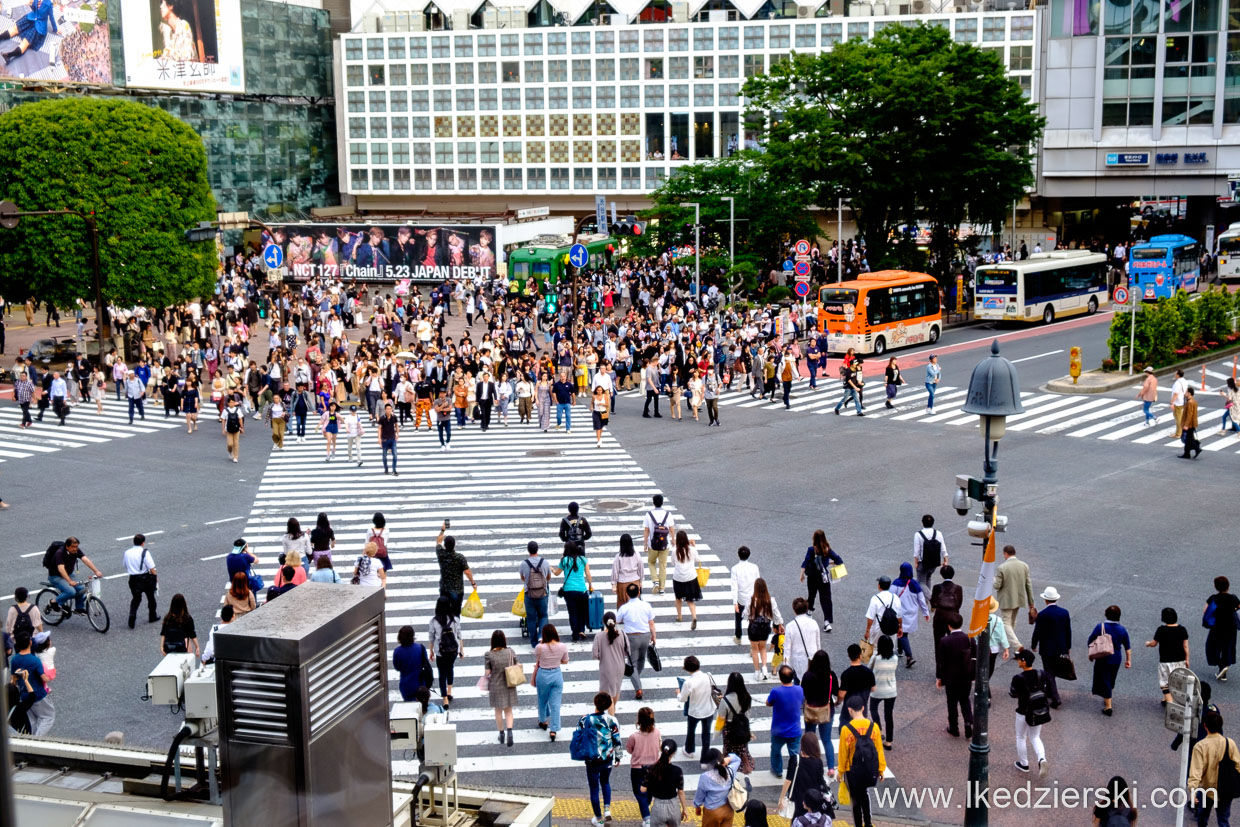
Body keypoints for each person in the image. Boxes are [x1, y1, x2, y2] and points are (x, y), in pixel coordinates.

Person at [838, 694, 886, 827]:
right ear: (863, 708)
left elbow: (843, 754)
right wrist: (881, 770)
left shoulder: (846, 730)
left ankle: (858, 824)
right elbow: (879, 750)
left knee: (855, 798)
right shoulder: (874, 727)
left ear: (849, 710)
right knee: (864, 794)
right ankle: (868, 822)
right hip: (869, 768)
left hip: (851, 769)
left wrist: (840, 772)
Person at [1189, 710, 1238, 826]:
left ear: (1205, 726)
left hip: (1207, 790)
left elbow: (1195, 774)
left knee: (1202, 817)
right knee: (1223, 819)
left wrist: (1193, 793)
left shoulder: (1200, 746)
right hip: (1226, 790)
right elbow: (1238, 765)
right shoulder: (1229, 743)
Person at [1010, 648, 1052, 777]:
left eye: (1019, 659)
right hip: (1038, 710)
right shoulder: (1041, 674)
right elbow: (1048, 689)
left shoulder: (1018, 678)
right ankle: (1041, 759)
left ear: (1024, 661)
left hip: (1023, 711)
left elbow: (1012, 693)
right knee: (1035, 737)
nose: (1017, 661)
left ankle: (1024, 764)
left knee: (1021, 736)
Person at [935, 611, 975, 738]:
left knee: (952, 702)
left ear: (949, 626)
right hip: (966, 676)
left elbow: (941, 661)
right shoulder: (969, 638)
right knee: (965, 700)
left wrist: (939, 677)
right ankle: (968, 722)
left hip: (951, 677)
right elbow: (974, 656)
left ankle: (954, 728)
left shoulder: (945, 641)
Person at [1030, 586, 1071, 707]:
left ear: (1046, 600)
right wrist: (1068, 646)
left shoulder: (1043, 615)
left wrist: (1034, 644)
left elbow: (1037, 631)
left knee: (1049, 672)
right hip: (1061, 647)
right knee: (1054, 671)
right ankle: (1049, 690)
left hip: (1047, 648)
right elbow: (1068, 631)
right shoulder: (1064, 613)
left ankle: (1055, 697)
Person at [1088, 604, 1131, 716]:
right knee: (1111, 678)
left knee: (1104, 679)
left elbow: (1090, 640)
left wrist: (1092, 654)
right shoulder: (1122, 629)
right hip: (1116, 657)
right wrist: (1128, 660)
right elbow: (1127, 646)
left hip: (1103, 657)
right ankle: (1108, 696)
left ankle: (1108, 707)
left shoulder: (1100, 627)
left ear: (1106, 615)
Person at [801, 651, 837, 776]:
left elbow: (803, 693)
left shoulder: (808, 675)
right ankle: (831, 768)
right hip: (826, 710)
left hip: (811, 709)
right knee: (827, 739)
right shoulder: (831, 676)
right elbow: (836, 692)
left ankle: (808, 764)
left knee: (809, 738)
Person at [618, 583, 656, 700]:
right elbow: (651, 623)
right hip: (645, 636)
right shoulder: (646, 605)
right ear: (639, 592)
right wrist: (653, 636)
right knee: (641, 659)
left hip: (631, 638)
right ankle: (636, 677)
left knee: (631, 663)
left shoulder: (624, 608)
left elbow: (617, 620)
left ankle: (638, 687)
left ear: (626, 594)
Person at [993, 545, 1036, 651]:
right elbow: (1028, 585)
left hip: (1006, 599)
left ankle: (1016, 645)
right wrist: (1031, 602)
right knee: (1012, 621)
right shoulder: (1024, 566)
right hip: (1019, 598)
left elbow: (997, 585)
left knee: (1006, 622)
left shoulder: (1002, 568)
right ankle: (1007, 641)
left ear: (1005, 553)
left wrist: (993, 580)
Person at [778, 732, 828, 821]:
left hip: (798, 799)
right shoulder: (818, 762)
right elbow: (820, 781)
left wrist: (781, 798)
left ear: (802, 745)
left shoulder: (795, 759)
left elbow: (788, 781)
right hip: (812, 799)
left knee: (797, 821)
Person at [9, 632, 53, 735]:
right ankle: (36, 741)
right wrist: (50, 675)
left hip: (24, 695)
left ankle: (30, 738)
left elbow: (13, 679)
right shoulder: (35, 661)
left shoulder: (15, 660)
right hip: (38, 694)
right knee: (48, 717)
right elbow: (44, 678)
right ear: (30, 642)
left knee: (31, 719)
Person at [46, 537, 102, 616]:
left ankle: (79, 608)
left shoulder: (76, 550)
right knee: (71, 591)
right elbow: (61, 569)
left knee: (82, 589)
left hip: (69, 573)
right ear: (67, 547)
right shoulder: (60, 553)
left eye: (77, 546)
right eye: (73, 547)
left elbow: (85, 560)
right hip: (56, 576)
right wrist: (69, 581)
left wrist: (96, 571)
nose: (75, 549)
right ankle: (53, 602)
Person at [766, 664, 804, 778]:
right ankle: (794, 771)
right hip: (795, 730)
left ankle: (778, 770)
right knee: (794, 753)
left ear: (780, 677)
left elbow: (768, 703)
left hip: (779, 730)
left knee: (776, 751)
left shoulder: (776, 692)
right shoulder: (799, 689)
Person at [626, 706, 662, 826]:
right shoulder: (657, 732)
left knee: (639, 792)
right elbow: (659, 746)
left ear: (639, 721)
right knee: (650, 790)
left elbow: (629, 750)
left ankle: (647, 819)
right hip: (653, 767)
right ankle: (646, 805)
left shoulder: (634, 736)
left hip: (638, 768)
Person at [800, 531, 843, 633]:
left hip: (812, 576)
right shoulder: (827, 549)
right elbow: (839, 560)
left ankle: (809, 612)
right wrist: (829, 562)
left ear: (814, 538)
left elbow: (805, 562)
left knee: (812, 594)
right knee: (826, 598)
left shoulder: (811, 549)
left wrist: (801, 574)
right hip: (824, 577)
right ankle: (827, 622)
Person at [1147, 606, 1190, 706]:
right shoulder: (1182, 629)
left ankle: (1170, 703)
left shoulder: (1161, 630)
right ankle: (1166, 699)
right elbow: (1185, 646)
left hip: (1165, 661)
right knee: (1177, 682)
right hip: (1180, 661)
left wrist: (1148, 643)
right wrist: (1187, 659)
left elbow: (1154, 643)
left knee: (1164, 683)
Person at [483, 630, 519, 747]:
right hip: (509, 684)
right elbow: (517, 664)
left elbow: (487, 672)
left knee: (498, 711)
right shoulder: (510, 651)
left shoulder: (489, 655)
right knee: (508, 710)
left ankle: (501, 733)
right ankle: (510, 732)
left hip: (495, 686)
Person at [534, 623, 569, 739]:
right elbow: (565, 661)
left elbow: (537, 657)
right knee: (555, 704)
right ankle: (554, 729)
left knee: (542, 699)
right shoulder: (562, 646)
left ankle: (543, 720)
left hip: (543, 675)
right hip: (556, 675)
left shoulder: (540, 647)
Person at [642, 738, 688, 827]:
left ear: (661, 749)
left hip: (658, 807)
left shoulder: (652, 769)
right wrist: (684, 809)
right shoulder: (678, 771)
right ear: (674, 753)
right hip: (674, 807)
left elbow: (643, 789)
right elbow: (681, 792)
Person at [715, 671, 755, 774]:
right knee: (742, 748)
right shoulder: (747, 697)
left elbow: (721, 718)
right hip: (743, 727)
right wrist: (749, 731)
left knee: (729, 750)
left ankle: (729, 770)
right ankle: (745, 767)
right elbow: (748, 715)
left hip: (730, 729)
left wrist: (716, 733)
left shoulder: (726, 700)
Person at [677, 655, 716, 759]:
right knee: (706, 734)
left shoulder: (688, 682)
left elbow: (682, 699)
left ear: (687, 668)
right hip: (708, 710)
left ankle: (689, 750)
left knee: (691, 731)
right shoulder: (708, 675)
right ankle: (705, 760)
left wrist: (678, 693)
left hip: (695, 712)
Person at [556, 541, 594, 642]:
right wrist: (590, 586)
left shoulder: (564, 560)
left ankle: (575, 634)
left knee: (572, 613)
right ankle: (581, 630)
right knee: (582, 611)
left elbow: (556, 573)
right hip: (582, 590)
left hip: (569, 591)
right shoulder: (583, 559)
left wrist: (551, 569)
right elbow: (588, 574)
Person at [693, 749, 743, 827]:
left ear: (709, 763)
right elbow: (737, 759)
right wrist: (728, 759)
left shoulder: (705, 777)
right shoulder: (730, 770)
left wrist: (697, 806)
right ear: (722, 757)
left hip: (712, 811)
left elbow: (700, 795)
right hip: (728, 809)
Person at [745, 578, 783, 681]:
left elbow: (746, 614)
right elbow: (776, 614)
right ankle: (765, 668)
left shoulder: (751, 599)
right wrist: (779, 624)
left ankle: (757, 671)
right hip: (765, 627)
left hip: (753, 627)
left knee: (754, 649)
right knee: (763, 648)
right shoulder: (770, 600)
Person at [428, 596, 463, 706]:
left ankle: (445, 699)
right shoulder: (455, 620)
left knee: (442, 674)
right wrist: (461, 649)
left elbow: (431, 637)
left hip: (440, 651)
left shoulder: (434, 621)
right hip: (453, 650)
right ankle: (449, 691)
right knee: (450, 668)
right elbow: (459, 635)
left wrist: (431, 651)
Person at [436, 522, 476, 616]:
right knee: (456, 612)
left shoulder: (441, 554)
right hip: (457, 590)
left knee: (444, 611)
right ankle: (455, 628)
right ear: (454, 545)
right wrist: (473, 583)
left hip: (444, 588)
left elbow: (438, 542)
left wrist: (442, 530)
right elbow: (467, 572)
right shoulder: (459, 557)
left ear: (445, 545)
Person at [1205, 576, 1240, 682]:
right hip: (1231, 628)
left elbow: (1206, 611)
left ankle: (1220, 665)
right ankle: (1224, 670)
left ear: (1216, 587)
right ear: (1228, 586)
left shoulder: (1213, 598)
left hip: (1217, 627)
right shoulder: (1233, 598)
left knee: (1212, 647)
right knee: (1227, 648)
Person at [593, 611, 630, 709]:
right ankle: (613, 709)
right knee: (616, 690)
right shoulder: (622, 634)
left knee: (606, 693)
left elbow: (595, 655)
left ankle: (611, 716)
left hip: (606, 667)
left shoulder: (599, 636)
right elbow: (627, 651)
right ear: (615, 622)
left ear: (604, 622)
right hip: (620, 666)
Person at [122, 533, 159, 631]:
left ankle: (132, 616)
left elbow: (125, 565)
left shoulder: (127, 552)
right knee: (151, 598)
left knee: (136, 599)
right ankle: (152, 616)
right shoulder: (145, 552)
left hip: (133, 579)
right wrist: (155, 577)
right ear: (143, 543)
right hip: (145, 578)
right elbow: (151, 567)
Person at [520, 541, 553, 649]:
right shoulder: (545, 562)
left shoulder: (524, 564)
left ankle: (534, 642)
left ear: (528, 550)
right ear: (537, 549)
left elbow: (523, 578)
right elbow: (548, 577)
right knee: (543, 615)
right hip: (542, 594)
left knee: (531, 618)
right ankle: (541, 636)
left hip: (529, 594)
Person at [868, 635, 898, 749]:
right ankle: (889, 741)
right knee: (888, 715)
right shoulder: (895, 658)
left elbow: (868, 670)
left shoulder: (876, 658)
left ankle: (879, 729)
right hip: (891, 690)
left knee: (873, 709)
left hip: (877, 690)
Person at [643, 494, 675, 596]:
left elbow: (646, 530)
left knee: (651, 562)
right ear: (662, 502)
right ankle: (662, 589)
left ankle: (655, 580)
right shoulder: (668, 514)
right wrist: (673, 539)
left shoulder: (649, 515)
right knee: (663, 566)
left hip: (652, 544)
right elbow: (671, 529)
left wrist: (645, 544)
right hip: (665, 544)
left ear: (653, 502)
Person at [670, 530, 702, 630]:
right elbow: (698, 559)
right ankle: (694, 617)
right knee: (690, 600)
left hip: (678, 577)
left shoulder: (674, 550)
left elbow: (672, 563)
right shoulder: (691, 549)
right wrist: (694, 545)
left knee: (678, 598)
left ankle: (679, 616)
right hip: (691, 577)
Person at [863, 575, 902, 654]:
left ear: (879, 586)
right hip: (891, 628)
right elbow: (899, 616)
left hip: (878, 629)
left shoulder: (875, 598)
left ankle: (876, 665)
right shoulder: (895, 598)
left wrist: (867, 631)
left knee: (875, 650)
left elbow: (870, 618)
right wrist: (900, 627)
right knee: (889, 649)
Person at [784, 597, 821, 679]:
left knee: (798, 684)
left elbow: (787, 648)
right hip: (812, 659)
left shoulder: (790, 626)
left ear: (794, 609)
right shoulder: (813, 623)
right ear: (807, 609)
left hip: (798, 660)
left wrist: (786, 665)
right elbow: (818, 643)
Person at [731, 546, 760, 645]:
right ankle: (753, 641)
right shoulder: (754, 567)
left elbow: (734, 587)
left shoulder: (735, 569)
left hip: (741, 598)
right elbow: (758, 582)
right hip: (753, 598)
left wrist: (735, 602)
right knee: (752, 619)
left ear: (738, 555)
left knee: (738, 618)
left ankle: (738, 637)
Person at [930, 565, 963, 648]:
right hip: (953, 617)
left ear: (941, 575)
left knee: (938, 641)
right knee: (953, 641)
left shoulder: (936, 587)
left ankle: (939, 659)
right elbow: (958, 604)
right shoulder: (958, 588)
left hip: (939, 617)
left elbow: (933, 603)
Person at [611, 533, 644, 609]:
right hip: (635, 581)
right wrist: (641, 581)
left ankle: (622, 618)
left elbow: (615, 570)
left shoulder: (619, 556)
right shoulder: (636, 554)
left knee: (622, 604)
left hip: (622, 583)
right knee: (635, 603)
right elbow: (641, 567)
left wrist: (613, 584)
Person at [913, 515, 947, 589]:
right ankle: (928, 596)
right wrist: (945, 560)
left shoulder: (918, 534)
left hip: (922, 563)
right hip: (933, 563)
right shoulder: (938, 533)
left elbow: (916, 551)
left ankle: (927, 598)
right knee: (928, 577)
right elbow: (943, 548)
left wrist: (916, 562)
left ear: (922, 522)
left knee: (921, 584)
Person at [377, 402, 400, 475]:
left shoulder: (394, 417)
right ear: (385, 410)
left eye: (390, 409)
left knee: (395, 455)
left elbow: (396, 425)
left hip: (392, 438)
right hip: (384, 439)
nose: (389, 410)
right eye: (387, 409)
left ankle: (394, 469)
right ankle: (386, 468)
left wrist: (397, 434)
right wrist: (379, 438)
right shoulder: (382, 418)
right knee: (384, 456)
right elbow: (379, 428)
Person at [220, 397, 244, 462]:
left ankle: (235, 457)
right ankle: (230, 451)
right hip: (228, 429)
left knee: (236, 443)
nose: (232, 403)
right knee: (230, 444)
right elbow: (223, 420)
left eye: (233, 402)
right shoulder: (225, 411)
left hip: (237, 429)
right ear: (228, 403)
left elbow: (240, 419)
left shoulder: (238, 410)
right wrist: (223, 429)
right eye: (231, 402)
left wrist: (242, 427)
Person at [1180, 387, 1202, 459]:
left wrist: (1186, 425)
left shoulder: (1190, 402)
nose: (1185, 393)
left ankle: (1197, 448)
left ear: (1189, 393)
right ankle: (1187, 453)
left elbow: (1189, 414)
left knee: (1188, 439)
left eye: (1186, 392)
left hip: (1189, 424)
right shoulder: (1192, 401)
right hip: (1192, 423)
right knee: (1188, 438)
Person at [1170, 368, 1189, 438]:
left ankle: (1178, 433)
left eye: (1175, 374)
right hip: (1183, 401)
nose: (1174, 375)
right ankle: (1180, 431)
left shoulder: (1177, 383)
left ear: (1178, 375)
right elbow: (1186, 391)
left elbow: (1175, 394)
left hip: (1177, 402)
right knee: (1180, 417)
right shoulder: (1185, 381)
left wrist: (1172, 403)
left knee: (1178, 418)